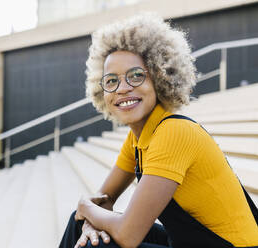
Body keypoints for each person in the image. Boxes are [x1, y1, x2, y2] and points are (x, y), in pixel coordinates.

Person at [59, 13, 258, 248]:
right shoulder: (139, 137)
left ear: (160, 77)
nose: (122, 88)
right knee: (78, 223)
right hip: (192, 241)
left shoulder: (174, 132)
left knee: (94, 243)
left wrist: (86, 207)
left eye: (136, 76)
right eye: (111, 81)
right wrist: (88, 217)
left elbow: (128, 236)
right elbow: (104, 200)